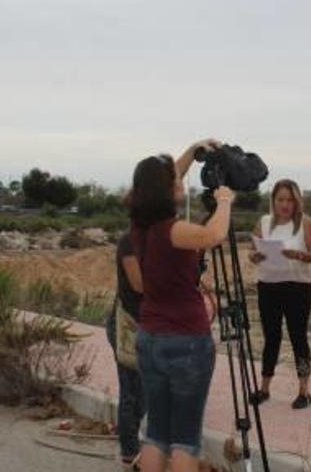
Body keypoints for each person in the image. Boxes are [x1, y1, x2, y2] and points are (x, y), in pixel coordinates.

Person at [129, 140, 234, 472]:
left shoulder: (140, 226)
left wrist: (192, 151)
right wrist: (225, 201)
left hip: (150, 337)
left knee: (156, 433)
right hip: (186, 339)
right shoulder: (173, 231)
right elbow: (214, 234)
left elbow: (167, 176)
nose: (181, 183)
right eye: (176, 181)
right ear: (165, 190)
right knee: (186, 438)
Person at [249, 179, 311, 409]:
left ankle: (304, 391)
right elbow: (253, 251)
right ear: (273, 201)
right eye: (280, 199)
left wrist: (297, 255)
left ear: (297, 201)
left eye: (290, 200)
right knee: (271, 337)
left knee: (298, 337)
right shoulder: (264, 222)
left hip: (297, 286)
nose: (285, 204)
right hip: (268, 285)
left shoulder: (305, 223)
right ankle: (264, 388)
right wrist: (256, 256)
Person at [106, 230, 146, 469]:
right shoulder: (131, 240)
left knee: (144, 395)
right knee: (132, 392)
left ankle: (131, 441)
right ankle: (130, 455)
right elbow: (139, 284)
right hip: (128, 327)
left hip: (149, 327)